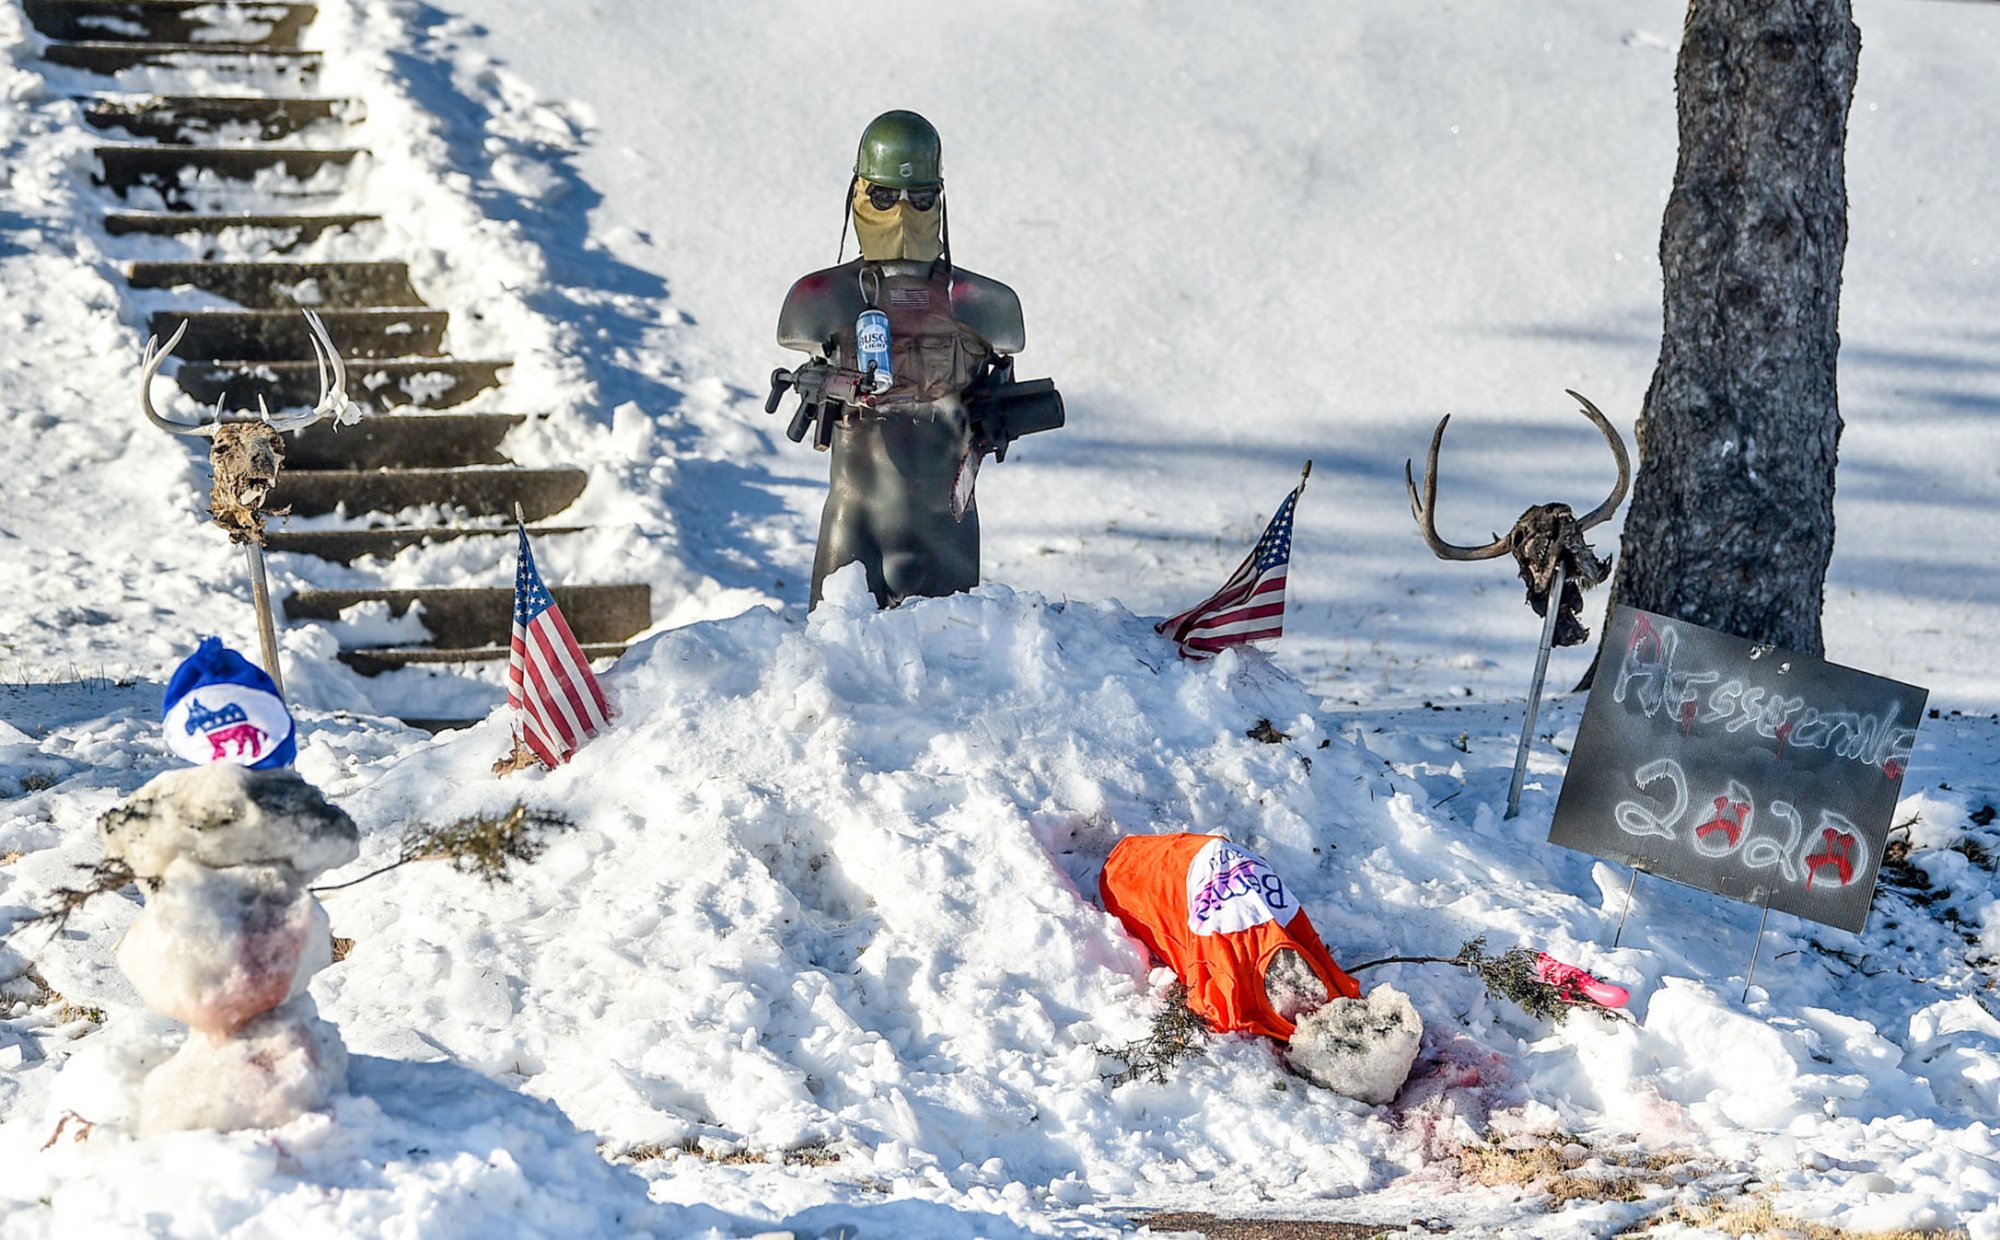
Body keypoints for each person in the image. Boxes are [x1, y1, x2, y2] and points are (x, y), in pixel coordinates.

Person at [774, 110, 1054, 608]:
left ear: (939, 199)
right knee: (836, 668)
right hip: (854, 519)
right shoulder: (819, 298)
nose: (902, 214)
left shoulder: (984, 303)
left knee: (950, 663)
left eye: (920, 200)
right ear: (858, 195)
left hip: (947, 523)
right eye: (883, 198)